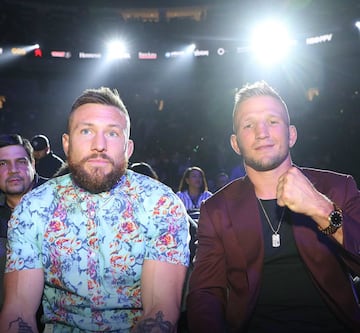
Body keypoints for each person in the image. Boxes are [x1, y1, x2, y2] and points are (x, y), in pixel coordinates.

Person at [0, 87, 190, 332]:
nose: (99, 145)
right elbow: (18, 310)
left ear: (128, 148)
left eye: (112, 133)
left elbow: (159, 311)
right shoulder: (33, 208)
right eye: (86, 131)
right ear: (66, 144)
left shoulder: (161, 204)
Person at [186, 81, 360, 332]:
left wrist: (322, 209)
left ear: (291, 135)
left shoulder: (337, 187)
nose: (262, 132)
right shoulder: (216, 209)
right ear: (235, 144)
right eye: (249, 125)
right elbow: (205, 292)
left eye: (272, 121)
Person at [0, 134, 38, 309]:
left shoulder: (62, 201)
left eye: (21, 162)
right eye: (2, 164)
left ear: (33, 164)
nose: (13, 170)